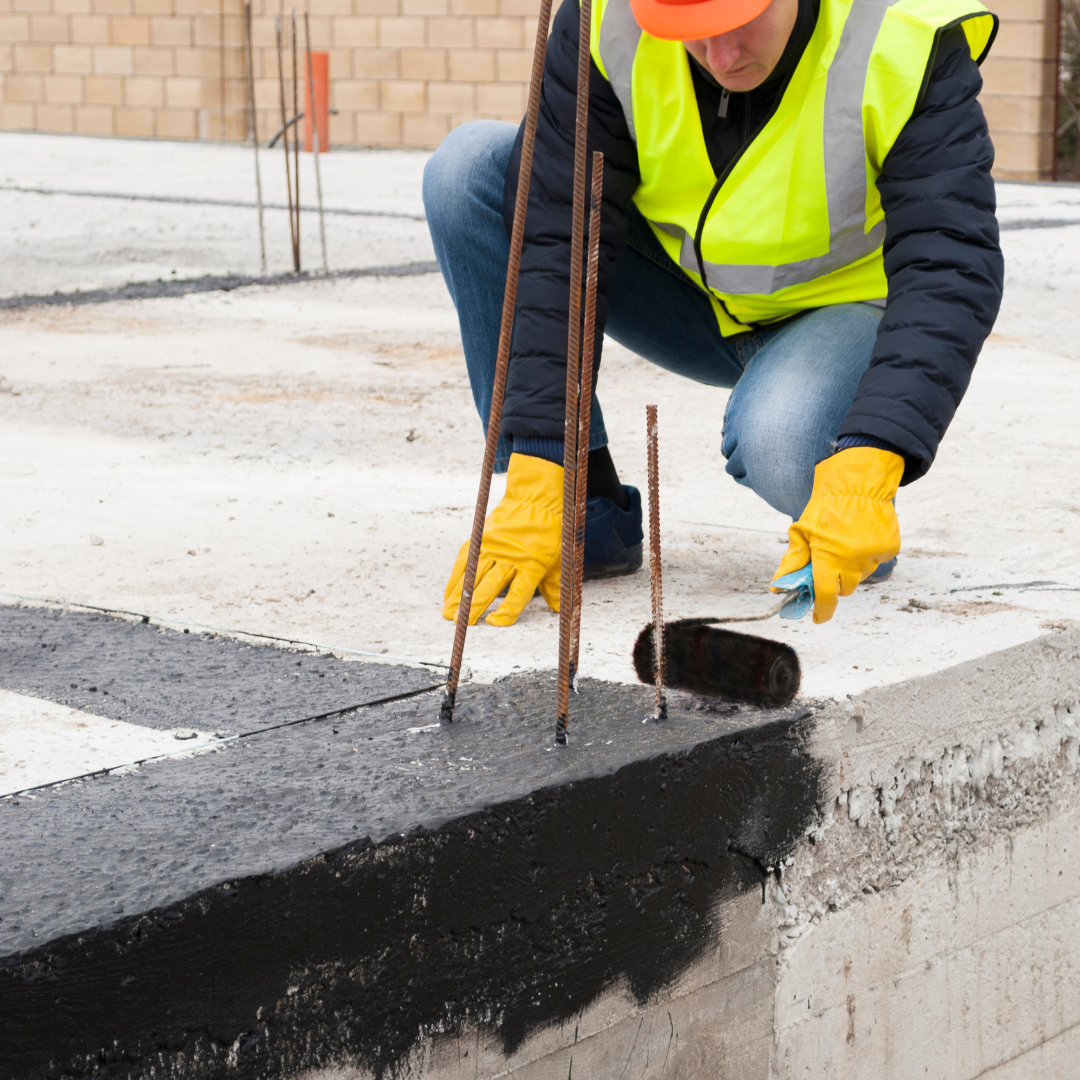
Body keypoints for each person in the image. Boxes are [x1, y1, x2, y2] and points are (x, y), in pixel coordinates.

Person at [423, 0, 1003, 626]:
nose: (723, 57)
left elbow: (949, 263)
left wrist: (877, 451)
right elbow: (560, 232)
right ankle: (583, 510)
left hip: (843, 317)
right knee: (469, 171)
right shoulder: (608, 20)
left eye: (742, 20)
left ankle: (847, 520)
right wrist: (541, 458)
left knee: (781, 440)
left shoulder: (902, 35)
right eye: (695, 33)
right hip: (696, 303)